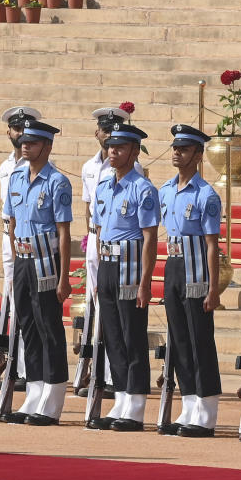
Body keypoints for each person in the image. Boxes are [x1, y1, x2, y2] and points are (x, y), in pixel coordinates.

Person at [0, 120, 72, 426]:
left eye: (32, 142)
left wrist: (65, 276)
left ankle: (52, 397)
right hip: (24, 259)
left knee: (48, 326)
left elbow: (64, 232)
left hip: (47, 258)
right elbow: (12, 221)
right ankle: (34, 390)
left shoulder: (57, 182)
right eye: (23, 142)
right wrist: (17, 260)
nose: (25, 146)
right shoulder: (16, 177)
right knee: (27, 325)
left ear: (47, 146)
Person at [88, 122, 159, 431]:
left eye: (119, 147)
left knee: (132, 335)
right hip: (107, 264)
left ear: (134, 151)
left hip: (130, 267)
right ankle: (120, 398)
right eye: (111, 146)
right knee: (113, 336)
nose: (112, 151)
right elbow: (100, 228)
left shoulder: (142, 188)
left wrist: (145, 282)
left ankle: (136, 404)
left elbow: (150, 238)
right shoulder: (103, 185)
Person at [157, 125, 222, 437]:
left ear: (198, 155)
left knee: (199, 340)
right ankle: (189, 404)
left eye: (183, 149)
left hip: (196, 268)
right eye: (175, 148)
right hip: (174, 265)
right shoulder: (166, 190)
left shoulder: (206, 194)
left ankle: (206, 411)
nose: (176, 153)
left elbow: (212, 244)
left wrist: (212, 286)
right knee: (180, 340)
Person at [78, 106, 143, 396]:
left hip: (125, 249)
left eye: (115, 135)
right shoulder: (90, 168)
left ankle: (114, 377)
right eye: (106, 132)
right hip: (98, 241)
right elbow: (88, 209)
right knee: (98, 307)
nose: (109, 139)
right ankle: (96, 370)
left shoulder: (134, 173)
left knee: (120, 316)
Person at [0, 106, 41, 387]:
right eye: (15, 128)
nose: (20, 134)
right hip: (6, 237)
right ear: (8, 131)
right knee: (12, 302)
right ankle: (13, 362)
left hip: (28, 239)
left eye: (25, 129)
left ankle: (26, 368)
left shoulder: (33, 165)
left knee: (27, 303)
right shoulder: (4, 166)